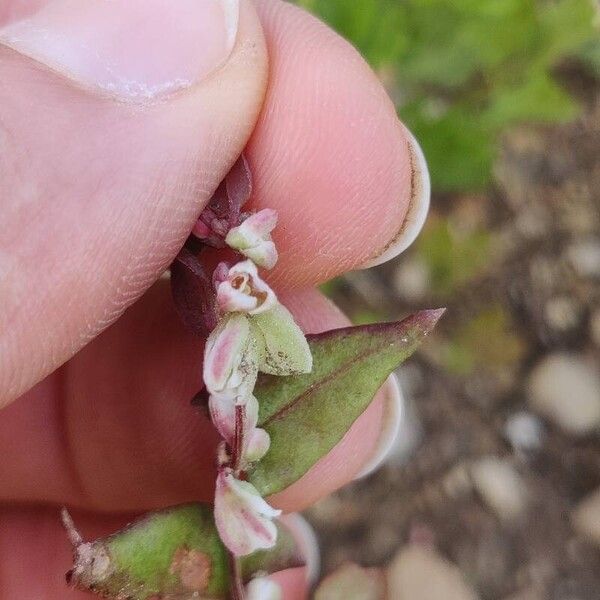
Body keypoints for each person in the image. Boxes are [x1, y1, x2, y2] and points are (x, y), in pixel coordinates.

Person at [0, 1, 429, 597]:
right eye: (237, 282)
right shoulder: (224, 321)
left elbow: (293, 355)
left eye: (242, 283)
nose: (239, 284)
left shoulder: (241, 310)